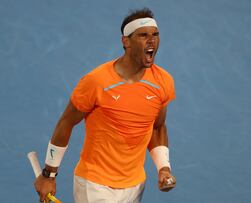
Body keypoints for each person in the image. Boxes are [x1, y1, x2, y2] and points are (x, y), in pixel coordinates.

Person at [34, 8, 176, 203]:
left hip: (135, 185)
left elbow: (157, 127)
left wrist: (163, 168)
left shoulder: (163, 82)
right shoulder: (96, 81)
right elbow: (65, 123)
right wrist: (49, 174)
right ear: (125, 42)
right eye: (143, 35)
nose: (151, 40)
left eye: (155, 35)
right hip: (95, 184)